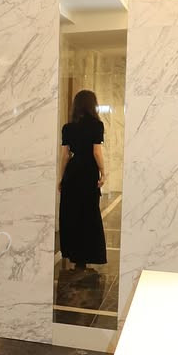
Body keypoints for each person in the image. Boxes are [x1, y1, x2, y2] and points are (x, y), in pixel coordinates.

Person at [58, 89, 108, 273]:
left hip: (72, 172)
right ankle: (89, 254)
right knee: (89, 212)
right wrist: (103, 172)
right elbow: (96, 152)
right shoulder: (97, 125)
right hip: (88, 172)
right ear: (92, 105)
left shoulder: (68, 127)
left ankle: (75, 255)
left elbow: (65, 155)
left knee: (71, 213)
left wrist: (61, 177)